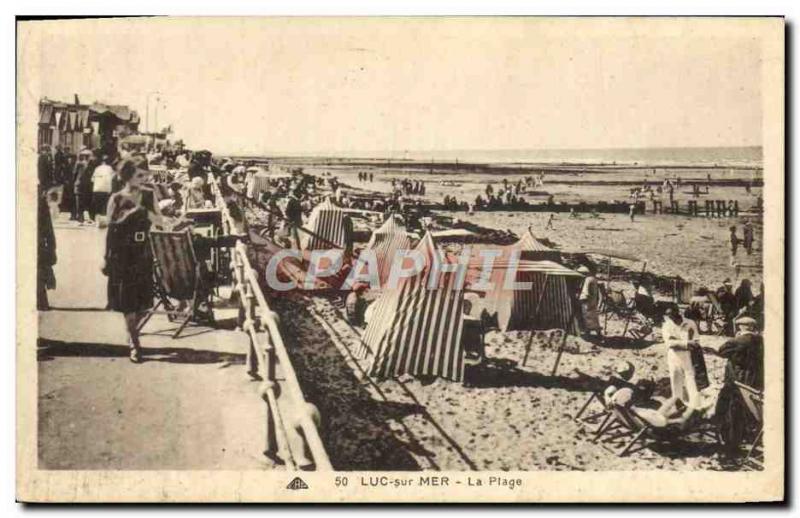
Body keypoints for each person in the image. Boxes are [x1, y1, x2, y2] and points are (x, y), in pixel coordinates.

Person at [104, 159, 163, 363]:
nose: (144, 179)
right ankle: (135, 344)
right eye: (139, 175)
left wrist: (145, 212)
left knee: (144, 303)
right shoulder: (117, 198)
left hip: (143, 252)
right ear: (126, 176)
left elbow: (159, 221)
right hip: (122, 254)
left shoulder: (149, 195)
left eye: (145, 175)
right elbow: (109, 228)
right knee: (127, 302)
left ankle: (131, 333)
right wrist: (106, 258)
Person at [714, 316, 764, 452]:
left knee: (733, 409)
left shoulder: (739, 341)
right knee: (750, 409)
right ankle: (748, 435)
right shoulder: (761, 340)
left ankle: (731, 442)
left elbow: (721, 351)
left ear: (741, 327)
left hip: (738, 379)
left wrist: (736, 338)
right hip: (756, 380)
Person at [659, 307, 702, 421]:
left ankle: (695, 407)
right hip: (673, 355)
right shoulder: (667, 325)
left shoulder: (690, 323)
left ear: (677, 312)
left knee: (690, 379)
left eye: (672, 314)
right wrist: (687, 342)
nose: (671, 317)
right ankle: (678, 405)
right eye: (668, 316)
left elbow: (696, 342)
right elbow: (669, 343)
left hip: (688, 355)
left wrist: (679, 342)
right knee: (675, 379)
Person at [37, 188, 57, 310]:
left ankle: (40, 300)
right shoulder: (40, 202)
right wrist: (51, 246)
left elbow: (47, 227)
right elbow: (48, 228)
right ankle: (40, 300)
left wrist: (51, 246)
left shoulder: (40, 202)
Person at [577, 265, 602, 339]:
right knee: (594, 318)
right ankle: (598, 334)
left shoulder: (587, 280)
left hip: (587, 302)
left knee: (587, 318)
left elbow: (586, 293)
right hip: (593, 301)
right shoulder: (594, 279)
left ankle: (588, 334)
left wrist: (580, 300)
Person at [91, 155, 114, 226]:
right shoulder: (110, 169)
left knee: (98, 206)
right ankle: (103, 222)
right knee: (105, 206)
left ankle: (97, 221)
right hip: (106, 190)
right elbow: (113, 179)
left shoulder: (97, 168)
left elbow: (92, 179)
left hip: (97, 189)